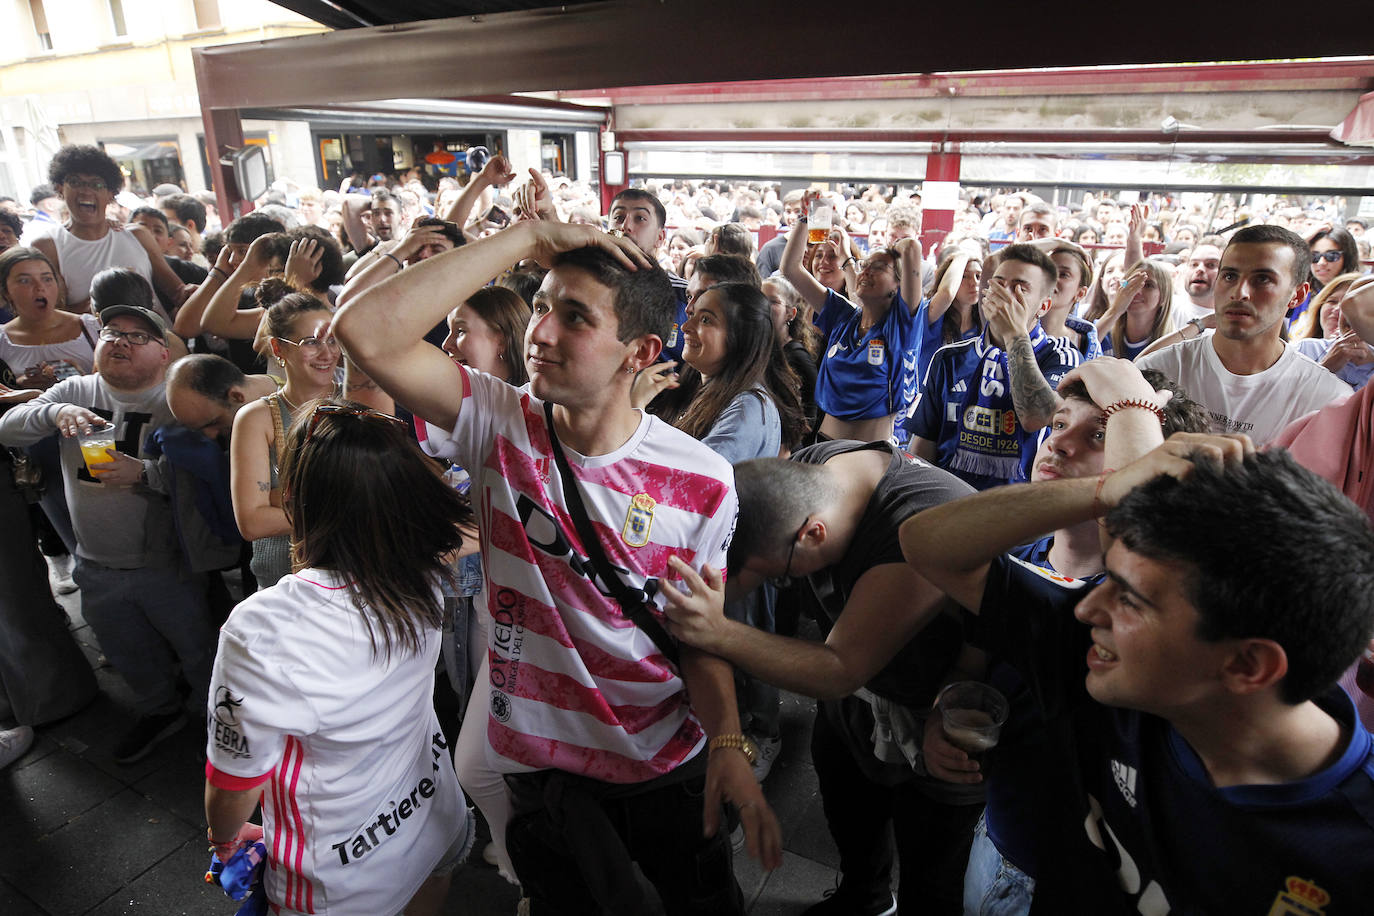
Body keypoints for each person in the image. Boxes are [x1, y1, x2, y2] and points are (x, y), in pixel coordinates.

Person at [335, 220, 781, 914]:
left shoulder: (702, 479)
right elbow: (364, 330)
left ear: (641, 351)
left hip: (664, 762)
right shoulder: (496, 418)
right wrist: (526, 233)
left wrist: (727, 739)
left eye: (574, 317)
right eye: (541, 304)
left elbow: (699, 632)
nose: (539, 332)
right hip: (540, 770)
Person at [902, 434, 1374, 914]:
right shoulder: (1110, 670)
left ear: (1247, 665)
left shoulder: (1355, 852)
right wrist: (1104, 489)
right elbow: (926, 545)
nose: (1087, 607)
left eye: (1129, 597)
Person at [920, 359, 1208, 916]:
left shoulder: (1145, 609)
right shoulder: (1018, 556)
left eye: (1100, 435)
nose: (1060, 445)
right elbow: (971, 666)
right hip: (999, 833)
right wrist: (942, 712)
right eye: (1057, 425)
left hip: (1068, 876)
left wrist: (1135, 410)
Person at [660, 437, 981, 915]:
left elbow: (840, 668)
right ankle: (865, 898)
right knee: (848, 802)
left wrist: (719, 633)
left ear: (812, 534)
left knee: (932, 870)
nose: (780, 586)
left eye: (780, 578)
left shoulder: (919, 525)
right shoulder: (814, 471)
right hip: (859, 698)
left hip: (935, 706)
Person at [204, 399, 476, 916]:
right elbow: (476, 528)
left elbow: (233, 783)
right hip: (434, 815)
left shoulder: (266, 628)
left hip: (343, 875)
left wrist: (224, 839)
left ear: (298, 498)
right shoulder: (421, 564)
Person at [0, 304, 216, 763]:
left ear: (164, 353)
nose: (120, 341)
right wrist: (53, 412)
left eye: (138, 337)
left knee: (199, 647)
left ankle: (211, 716)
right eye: (112, 332)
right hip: (94, 561)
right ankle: (160, 710)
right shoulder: (77, 388)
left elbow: (211, 472)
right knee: (126, 650)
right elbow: (6, 429)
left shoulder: (177, 397)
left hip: (168, 562)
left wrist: (147, 474)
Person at [1137, 225, 1353, 445]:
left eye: (1263, 279)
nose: (1240, 293)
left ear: (1297, 295)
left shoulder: (1327, 399)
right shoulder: (1156, 371)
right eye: (1230, 276)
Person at [906, 244, 1081, 489]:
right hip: (949, 505)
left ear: (1043, 306)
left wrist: (1014, 335)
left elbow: (1037, 416)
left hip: (1020, 511)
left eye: (1020, 287)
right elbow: (922, 450)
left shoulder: (1061, 356)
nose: (1004, 293)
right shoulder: (949, 357)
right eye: (998, 283)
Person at [783, 193, 922, 444]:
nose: (866, 271)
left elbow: (911, 247)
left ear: (897, 288)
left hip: (870, 452)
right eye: (865, 266)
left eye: (878, 268)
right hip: (824, 445)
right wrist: (807, 219)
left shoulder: (902, 326)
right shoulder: (843, 316)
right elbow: (791, 269)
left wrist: (861, 254)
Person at [229, 285, 339, 591]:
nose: (327, 353)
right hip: (284, 582)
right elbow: (252, 521)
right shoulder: (257, 418)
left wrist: (286, 500)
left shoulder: (355, 405)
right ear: (278, 349)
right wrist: (346, 506)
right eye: (311, 343)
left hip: (354, 577)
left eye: (332, 340)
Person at [26, 145, 193, 312]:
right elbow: (52, 315)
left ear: (111, 194)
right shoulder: (48, 247)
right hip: (95, 338)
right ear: (60, 188)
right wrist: (110, 293)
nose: (86, 191)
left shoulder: (137, 235)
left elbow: (177, 292)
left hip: (155, 336)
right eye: (75, 182)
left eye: (96, 185)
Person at [1291, 272, 1373, 390]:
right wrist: (1325, 367)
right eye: (1332, 301)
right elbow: (1279, 401)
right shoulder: (1306, 349)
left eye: (1365, 308)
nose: (1339, 310)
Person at [1094, 259, 1175, 360]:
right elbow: (1081, 351)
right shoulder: (1103, 328)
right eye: (1132, 284)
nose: (1137, 291)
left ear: (1163, 297)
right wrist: (1115, 310)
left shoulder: (1171, 345)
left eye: (1148, 285)